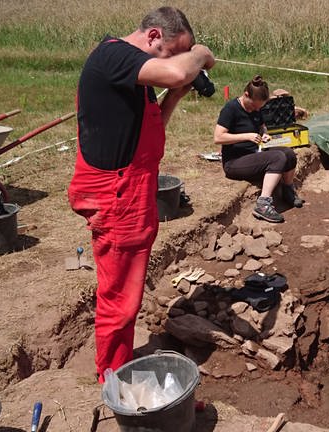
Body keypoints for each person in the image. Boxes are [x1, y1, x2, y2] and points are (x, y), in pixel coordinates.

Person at [67, 6, 215, 382]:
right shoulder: (113, 56)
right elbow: (180, 70)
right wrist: (198, 55)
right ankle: (113, 379)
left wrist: (175, 95)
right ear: (153, 37)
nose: (177, 61)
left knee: (126, 291)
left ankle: (119, 363)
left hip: (132, 190)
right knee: (121, 297)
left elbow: (149, 131)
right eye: (172, 51)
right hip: (117, 195)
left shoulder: (135, 74)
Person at [213, 75, 303, 223]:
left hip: (254, 155)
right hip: (234, 162)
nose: (256, 109)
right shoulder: (230, 109)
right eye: (254, 105)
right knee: (277, 157)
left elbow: (262, 127)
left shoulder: (256, 109)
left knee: (288, 154)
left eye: (259, 107)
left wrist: (265, 135)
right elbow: (218, 137)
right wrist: (246, 136)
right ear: (246, 95)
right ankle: (263, 204)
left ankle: (287, 190)